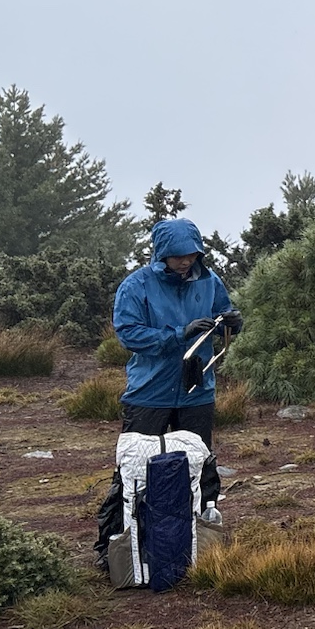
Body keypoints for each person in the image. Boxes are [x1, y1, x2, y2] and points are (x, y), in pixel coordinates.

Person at [93, 218, 239, 568]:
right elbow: (128, 333)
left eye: (191, 255)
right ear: (161, 254)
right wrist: (178, 333)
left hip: (196, 389)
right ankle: (116, 546)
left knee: (201, 464)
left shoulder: (209, 281)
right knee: (132, 469)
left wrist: (231, 324)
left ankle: (203, 539)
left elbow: (221, 313)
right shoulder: (136, 286)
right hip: (149, 392)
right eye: (177, 257)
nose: (185, 262)